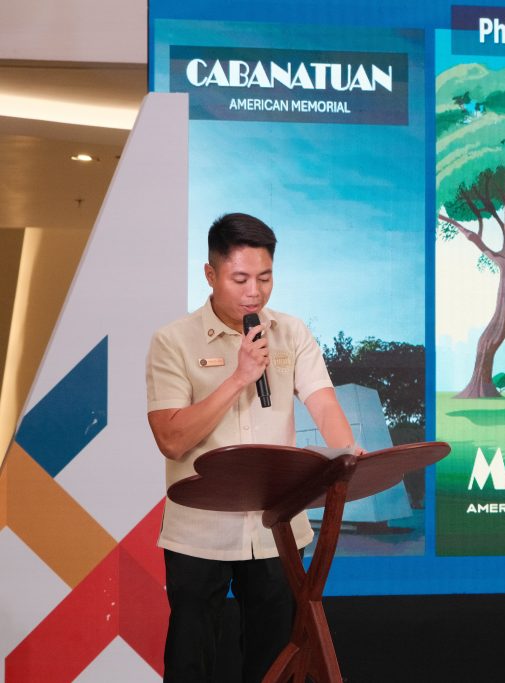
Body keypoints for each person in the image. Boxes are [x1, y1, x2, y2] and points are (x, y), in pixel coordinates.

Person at [145, 212, 360, 682]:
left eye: (265, 278)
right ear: (210, 274)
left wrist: (348, 452)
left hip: (276, 526)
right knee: (189, 662)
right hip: (199, 529)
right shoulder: (173, 341)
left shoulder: (292, 332)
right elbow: (171, 439)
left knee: (274, 661)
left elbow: (323, 402)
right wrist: (239, 377)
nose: (254, 292)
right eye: (240, 279)